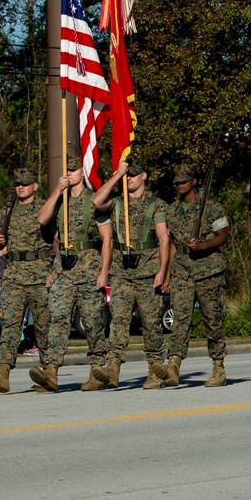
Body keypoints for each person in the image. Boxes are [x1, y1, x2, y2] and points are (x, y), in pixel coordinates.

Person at [34, 150, 113, 392]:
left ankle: (98, 369)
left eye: (74, 169)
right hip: (63, 270)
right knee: (58, 320)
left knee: (92, 321)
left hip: (88, 266)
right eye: (66, 170)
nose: (70, 173)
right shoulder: (60, 200)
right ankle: (51, 371)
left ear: (82, 171)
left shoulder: (95, 200)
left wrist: (104, 271)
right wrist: (57, 190)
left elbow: (107, 239)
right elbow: (42, 219)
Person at [94, 160, 172, 389]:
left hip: (148, 272)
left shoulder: (156, 204)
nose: (130, 179)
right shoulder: (118, 202)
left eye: (134, 175)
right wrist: (117, 175)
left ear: (145, 176)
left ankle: (156, 369)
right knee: (118, 322)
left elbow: (163, 239)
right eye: (128, 175)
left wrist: (163, 271)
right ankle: (113, 369)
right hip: (121, 273)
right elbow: (97, 201)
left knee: (151, 323)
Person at [0, 169, 55, 394]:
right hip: (14, 273)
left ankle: (49, 372)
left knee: (43, 326)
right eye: (17, 184)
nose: (20, 187)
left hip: (40, 272)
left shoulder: (46, 208)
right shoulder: (6, 212)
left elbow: (59, 239)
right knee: (10, 325)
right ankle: (2, 373)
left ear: (35, 185)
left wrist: (56, 270)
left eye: (25, 183)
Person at [164, 164, 231, 386]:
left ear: (194, 181)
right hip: (182, 269)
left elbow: (223, 235)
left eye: (184, 181)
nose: (179, 185)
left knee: (212, 319)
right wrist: (167, 273)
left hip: (208, 270)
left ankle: (218, 367)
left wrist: (204, 245)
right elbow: (172, 242)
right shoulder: (171, 211)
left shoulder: (211, 208)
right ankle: (173, 365)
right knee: (180, 319)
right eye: (176, 182)